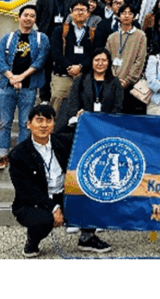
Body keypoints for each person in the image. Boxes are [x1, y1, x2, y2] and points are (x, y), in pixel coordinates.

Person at [10, 104, 111, 257]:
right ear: (29, 124)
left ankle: (87, 237)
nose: (44, 125)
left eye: (48, 120)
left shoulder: (63, 142)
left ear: (53, 124)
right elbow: (27, 190)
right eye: (39, 120)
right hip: (34, 202)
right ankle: (33, 240)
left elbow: (83, 135)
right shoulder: (18, 154)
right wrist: (53, 208)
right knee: (43, 220)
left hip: (63, 194)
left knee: (98, 195)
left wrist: (84, 119)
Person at [0, 5, 50, 170]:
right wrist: (12, 77)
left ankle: (21, 156)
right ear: (19, 17)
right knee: (5, 122)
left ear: (35, 19)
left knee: (26, 123)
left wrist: (21, 77)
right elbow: (0, 61)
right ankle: (3, 155)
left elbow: (40, 61)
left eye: (32, 16)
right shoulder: (7, 38)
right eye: (25, 15)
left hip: (29, 87)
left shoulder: (41, 38)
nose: (28, 18)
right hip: (7, 87)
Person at [56, 48, 123, 131]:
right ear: (91, 61)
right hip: (84, 124)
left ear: (109, 62)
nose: (100, 63)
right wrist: (77, 114)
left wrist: (107, 120)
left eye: (104, 60)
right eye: (97, 60)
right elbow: (73, 103)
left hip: (106, 125)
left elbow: (117, 106)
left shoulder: (115, 82)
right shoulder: (80, 80)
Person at [49, 0, 96, 113]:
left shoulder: (92, 33)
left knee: (82, 108)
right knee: (57, 105)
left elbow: (94, 55)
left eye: (83, 10)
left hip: (84, 76)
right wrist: (70, 67)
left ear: (88, 13)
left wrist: (80, 67)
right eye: (77, 9)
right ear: (71, 12)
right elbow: (56, 53)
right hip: (63, 75)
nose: (80, 12)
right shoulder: (60, 30)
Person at [35, 0, 74, 102]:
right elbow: (38, 17)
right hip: (46, 38)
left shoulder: (71, 1)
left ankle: (60, 95)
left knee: (61, 67)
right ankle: (44, 97)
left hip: (64, 40)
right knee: (45, 68)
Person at [104, 3, 147, 115]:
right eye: (123, 13)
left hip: (131, 84)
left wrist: (127, 81)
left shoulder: (140, 35)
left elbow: (140, 60)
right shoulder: (112, 37)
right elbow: (106, 60)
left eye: (130, 13)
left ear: (134, 17)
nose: (126, 16)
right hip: (112, 83)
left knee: (128, 115)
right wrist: (113, 79)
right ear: (119, 16)